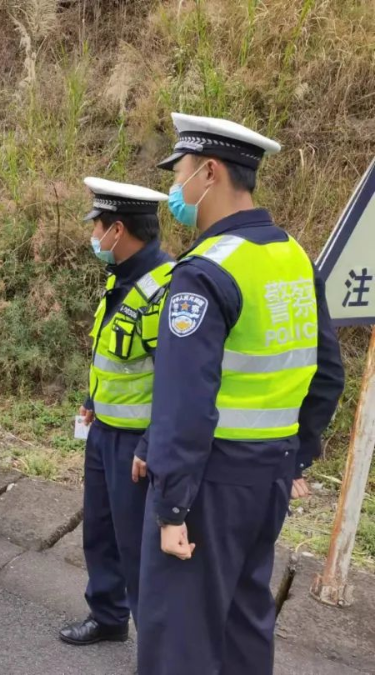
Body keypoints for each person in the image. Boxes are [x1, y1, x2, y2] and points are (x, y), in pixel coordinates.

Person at [137, 113, 345, 675]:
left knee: (178, 632)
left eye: (178, 173)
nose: (174, 190)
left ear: (209, 172)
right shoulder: (293, 256)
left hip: (209, 484)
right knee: (244, 622)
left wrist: (173, 505)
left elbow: (186, 403)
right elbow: (328, 373)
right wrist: (297, 453)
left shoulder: (206, 271)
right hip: (269, 477)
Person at [58, 178, 171, 647]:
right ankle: (107, 617)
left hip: (138, 444)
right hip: (104, 431)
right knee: (100, 532)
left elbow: (177, 378)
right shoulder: (118, 280)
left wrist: (152, 442)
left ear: (118, 230)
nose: (94, 237)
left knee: (137, 548)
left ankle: (156, 647)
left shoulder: (168, 289)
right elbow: (111, 355)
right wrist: (91, 401)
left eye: (98, 227)